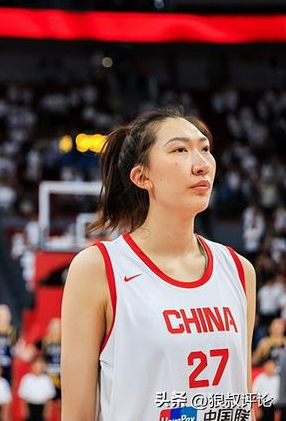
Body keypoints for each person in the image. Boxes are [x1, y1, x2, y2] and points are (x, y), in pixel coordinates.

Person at [61, 107, 256, 420]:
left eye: (205, 149)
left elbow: (241, 400)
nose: (202, 164)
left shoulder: (239, 270)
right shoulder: (98, 268)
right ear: (142, 176)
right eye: (180, 150)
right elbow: (76, 415)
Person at [18, 356, 56, 421]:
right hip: (30, 407)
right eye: (36, 365)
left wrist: (47, 412)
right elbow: (23, 398)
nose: (39, 367)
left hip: (42, 407)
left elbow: (49, 398)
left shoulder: (47, 379)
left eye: (41, 365)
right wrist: (25, 410)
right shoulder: (27, 378)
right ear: (32, 366)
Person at [253, 356, 280, 421]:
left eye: (271, 365)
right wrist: (257, 409)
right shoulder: (260, 378)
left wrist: (278, 410)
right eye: (267, 365)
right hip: (263, 407)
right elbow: (254, 394)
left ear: (275, 366)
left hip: (276, 406)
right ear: (264, 366)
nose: (269, 367)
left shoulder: (278, 378)